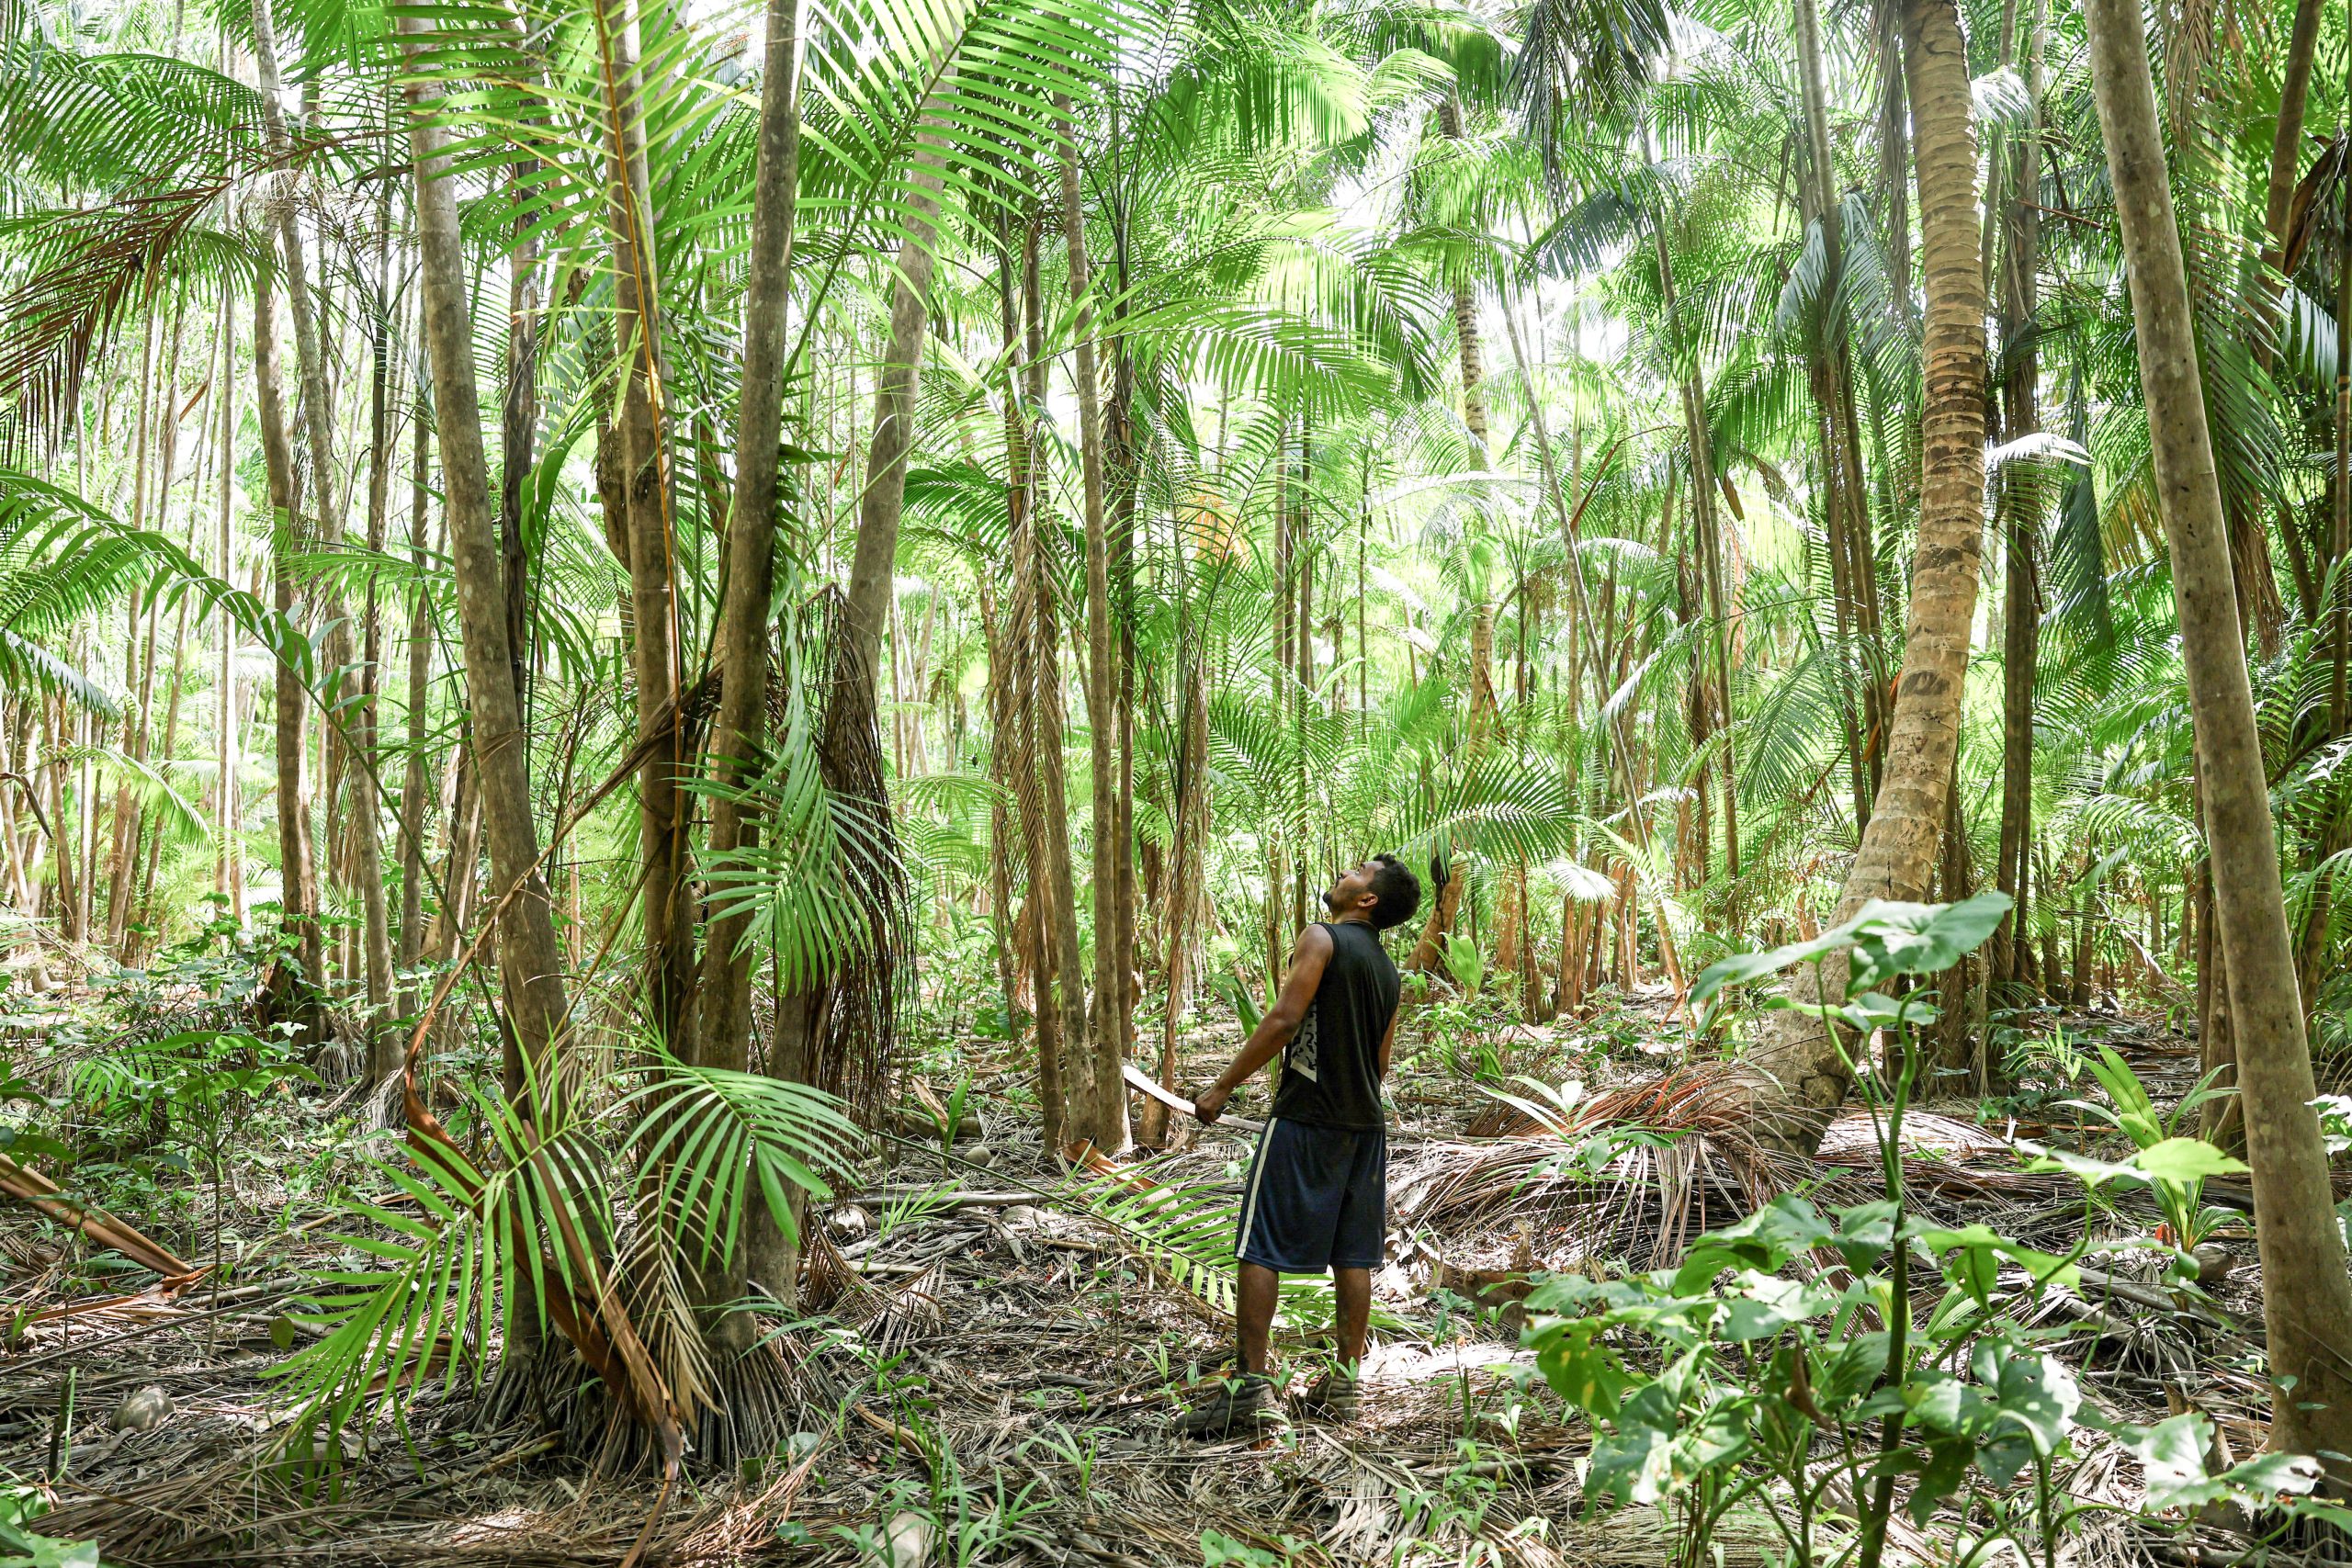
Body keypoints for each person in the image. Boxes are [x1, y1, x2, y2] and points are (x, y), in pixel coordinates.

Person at [1175, 853, 1421, 1436]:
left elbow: (1286, 1019)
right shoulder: (1390, 973)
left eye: (1360, 872)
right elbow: (1381, 1062)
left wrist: (1220, 1088)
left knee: (1259, 1245)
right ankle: (1344, 1387)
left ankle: (1251, 1390)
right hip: (1365, 1126)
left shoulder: (1322, 938)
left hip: (1305, 1119)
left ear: (1368, 900)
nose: (1347, 874)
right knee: (1353, 1255)